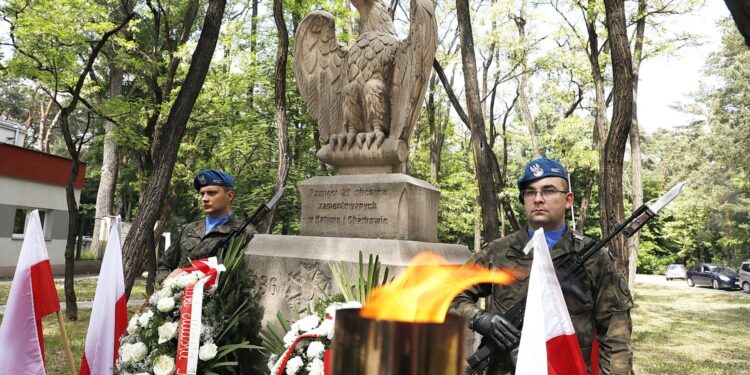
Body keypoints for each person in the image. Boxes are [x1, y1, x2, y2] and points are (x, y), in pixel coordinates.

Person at [450, 157, 633, 375]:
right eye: (530, 192)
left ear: (568, 200)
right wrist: (480, 318)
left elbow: (615, 335)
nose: (538, 199)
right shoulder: (497, 252)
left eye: (548, 191)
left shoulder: (594, 257)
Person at [156, 169, 257, 283]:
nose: (204, 199)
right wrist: (169, 285)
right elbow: (164, 265)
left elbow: (251, 277)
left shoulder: (245, 233)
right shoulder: (189, 229)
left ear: (229, 195)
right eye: (202, 194)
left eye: (212, 193)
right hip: (182, 299)